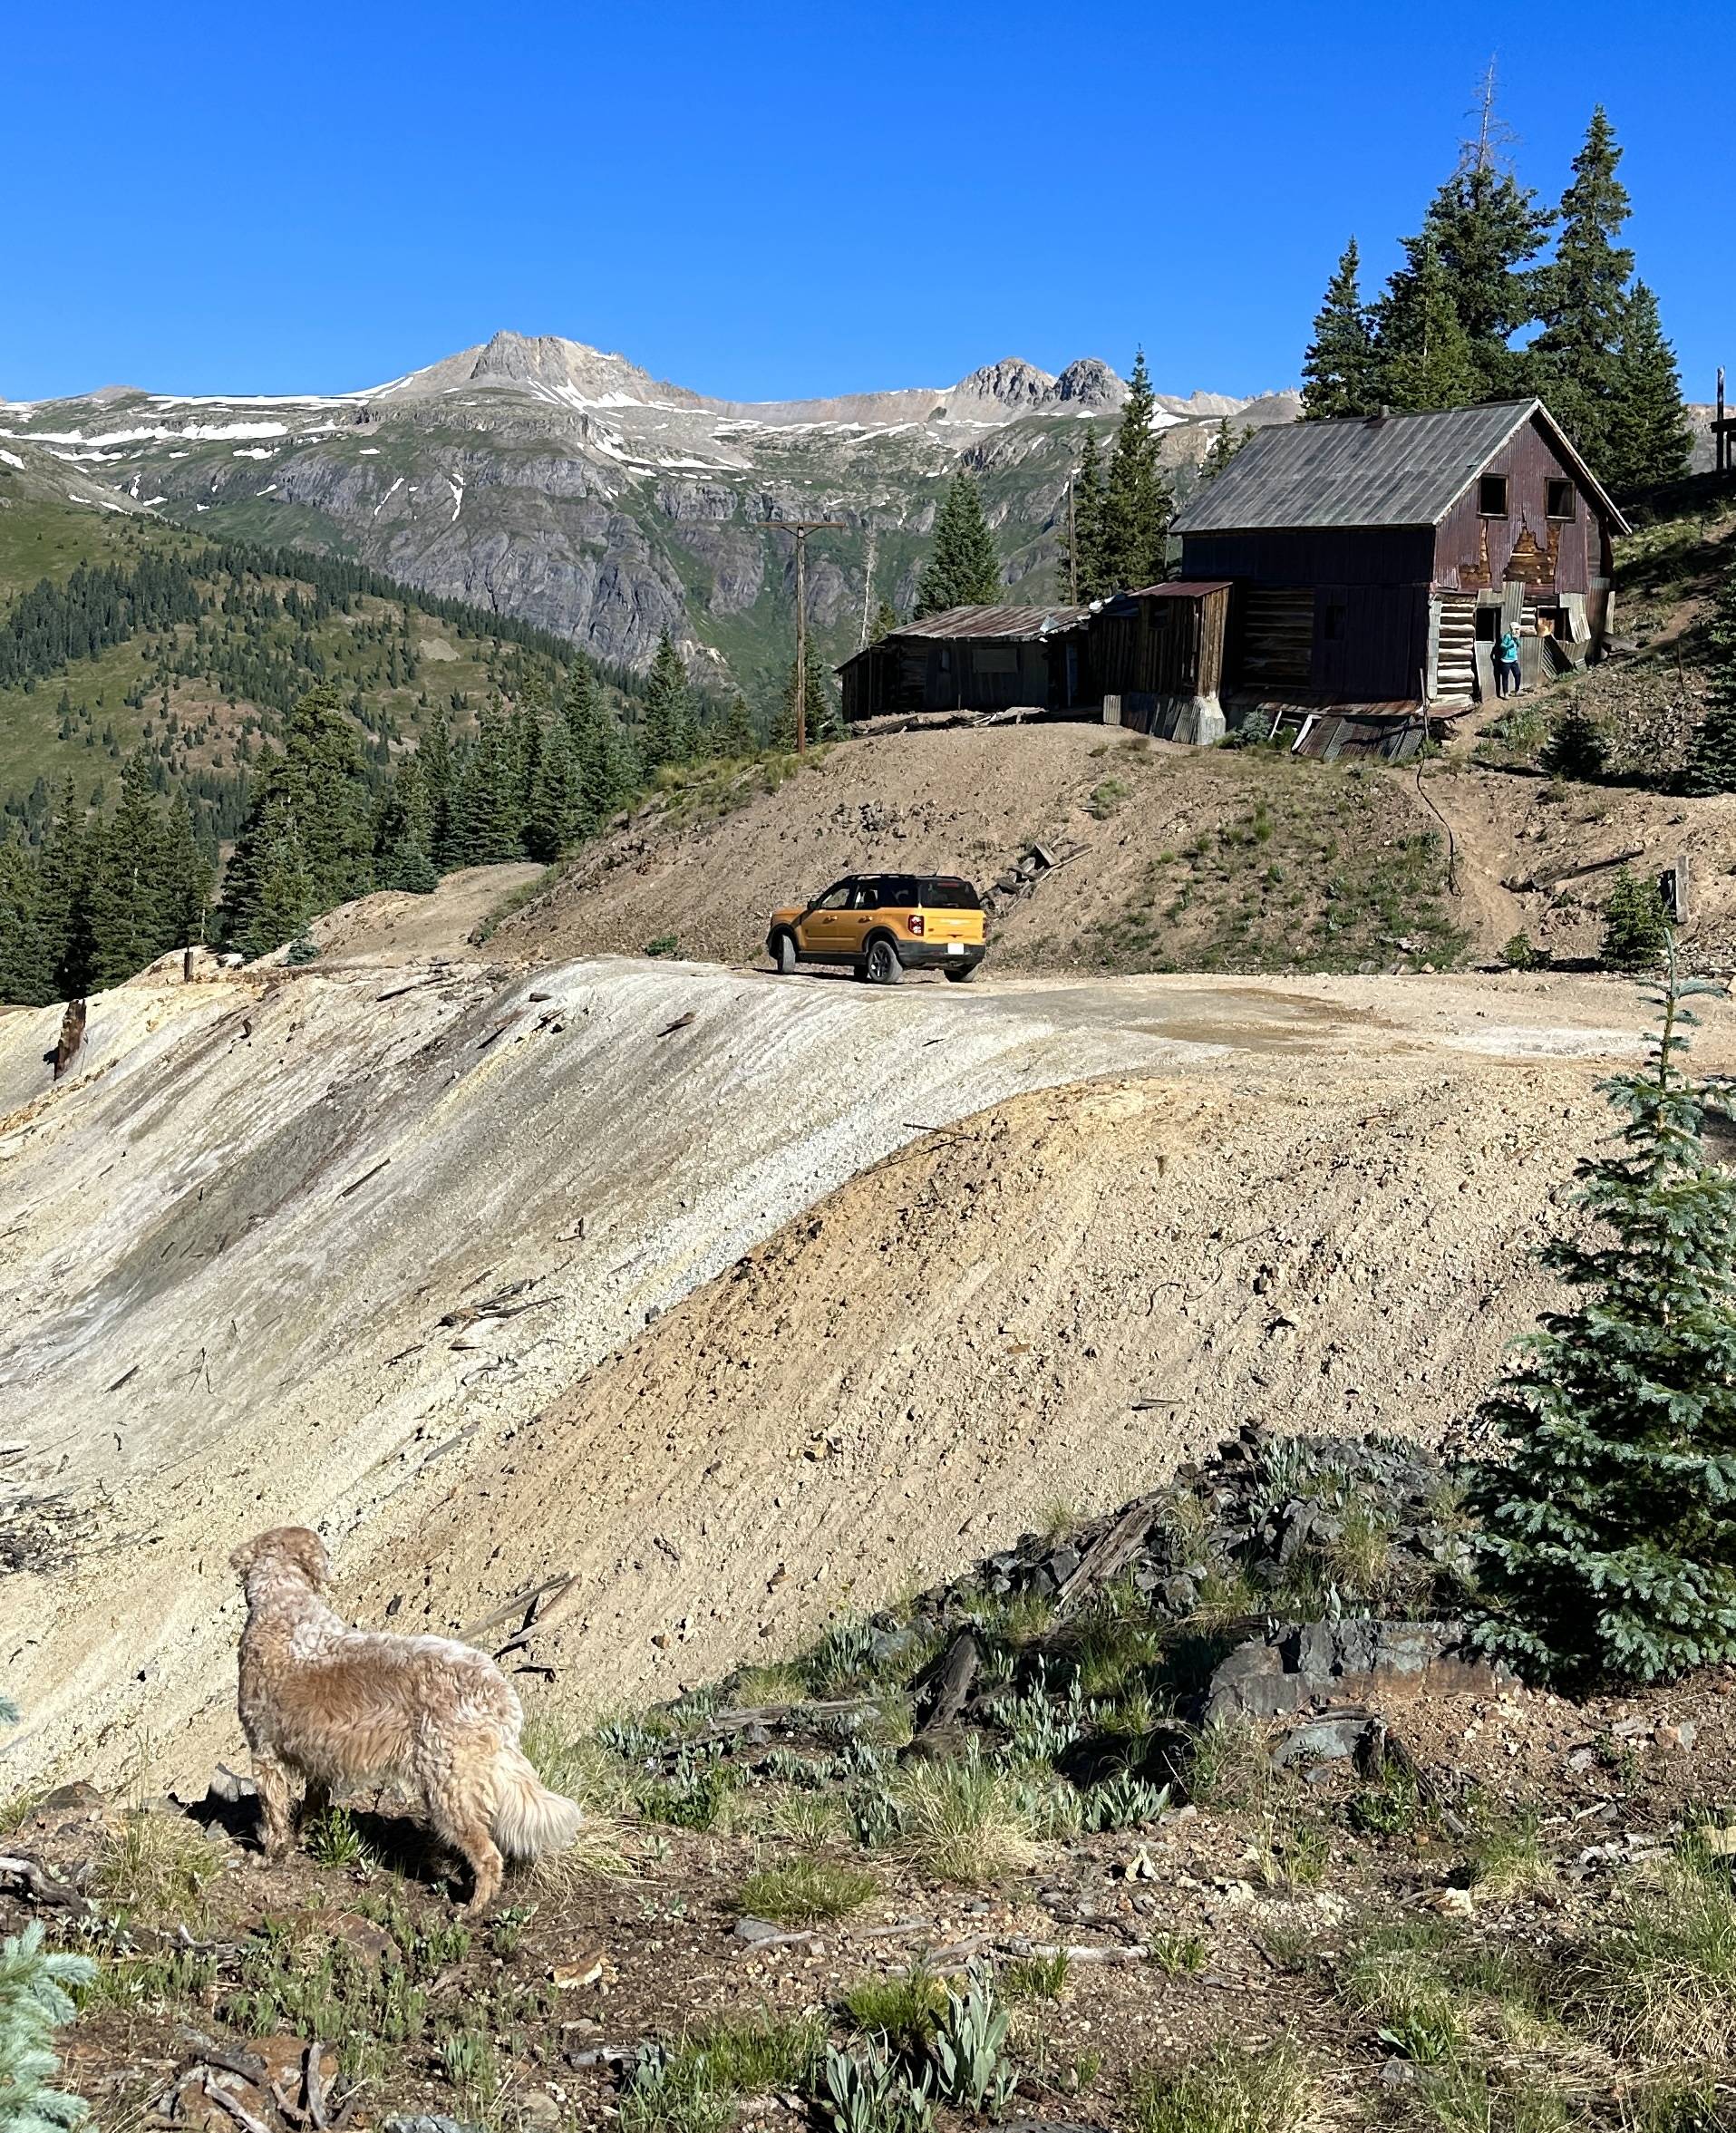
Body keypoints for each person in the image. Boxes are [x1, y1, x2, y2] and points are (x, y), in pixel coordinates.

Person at [1496, 626, 1522, 698]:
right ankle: (1505, 694)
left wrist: (1517, 640)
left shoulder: (1516, 636)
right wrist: (1508, 646)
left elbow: (1519, 645)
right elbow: (1502, 645)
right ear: (1512, 629)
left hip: (1514, 660)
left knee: (1518, 674)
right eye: (1516, 629)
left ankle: (1517, 691)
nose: (1517, 631)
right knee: (1505, 677)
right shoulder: (1507, 636)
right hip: (1506, 660)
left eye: (1518, 629)